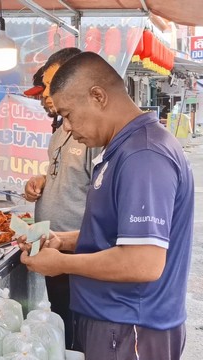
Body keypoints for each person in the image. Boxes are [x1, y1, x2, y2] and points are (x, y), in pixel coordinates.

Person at [21, 52, 194, 359]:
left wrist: (61, 264)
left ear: (98, 96)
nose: (69, 128)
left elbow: (143, 262)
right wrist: (64, 241)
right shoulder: (120, 149)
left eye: (70, 115)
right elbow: (117, 234)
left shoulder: (143, 156)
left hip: (132, 327)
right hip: (113, 320)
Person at [22, 47, 101, 348]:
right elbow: (65, 175)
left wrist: (73, 243)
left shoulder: (93, 134)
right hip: (53, 243)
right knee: (62, 320)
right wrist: (40, 181)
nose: (47, 94)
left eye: (51, 85)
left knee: (83, 329)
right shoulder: (61, 130)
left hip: (80, 252)